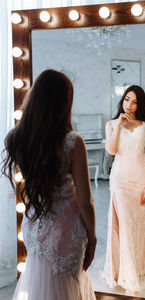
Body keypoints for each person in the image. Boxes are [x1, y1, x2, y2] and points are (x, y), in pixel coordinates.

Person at [1, 69, 97, 300]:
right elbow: (85, 201)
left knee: (39, 284)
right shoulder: (73, 142)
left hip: (34, 224)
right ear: (64, 103)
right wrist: (92, 237)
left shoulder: (18, 138)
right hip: (66, 231)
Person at [102, 85, 145, 296]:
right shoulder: (111, 124)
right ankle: (128, 278)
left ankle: (136, 269)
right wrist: (118, 125)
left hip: (140, 180)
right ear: (122, 100)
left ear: (140, 104)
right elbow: (112, 150)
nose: (130, 105)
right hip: (120, 181)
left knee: (138, 227)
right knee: (122, 226)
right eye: (127, 100)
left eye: (134, 102)